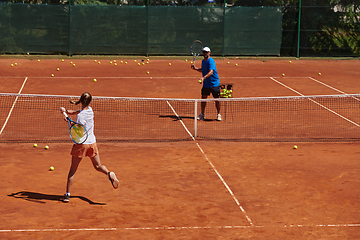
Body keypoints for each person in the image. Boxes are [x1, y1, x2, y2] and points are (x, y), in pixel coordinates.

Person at [59, 92, 119, 203]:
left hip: (82, 144)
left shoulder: (80, 116)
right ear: (90, 102)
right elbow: (76, 112)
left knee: (72, 170)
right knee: (97, 166)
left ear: (80, 101)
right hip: (92, 143)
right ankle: (108, 174)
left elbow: (78, 130)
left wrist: (66, 118)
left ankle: (67, 195)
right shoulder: (90, 111)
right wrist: (65, 111)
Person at [191, 46, 222, 121]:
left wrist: (203, 78)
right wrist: (195, 68)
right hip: (206, 84)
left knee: (217, 100)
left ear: (209, 53)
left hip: (214, 84)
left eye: (206, 52)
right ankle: (202, 114)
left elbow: (211, 72)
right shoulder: (203, 61)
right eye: (203, 52)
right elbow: (203, 70)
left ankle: (218, 114)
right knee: (203, 99)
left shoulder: (211, 61)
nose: (205, 53)